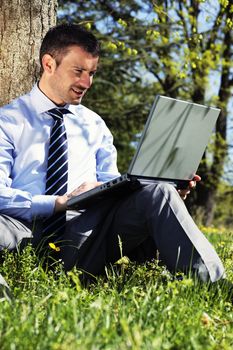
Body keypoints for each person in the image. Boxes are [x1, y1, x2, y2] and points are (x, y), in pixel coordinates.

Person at [0, 23, 225, 292]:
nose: (87, 83)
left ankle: (214, 287)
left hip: (87, 237)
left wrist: (163, 189)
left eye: (92, 73)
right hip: (23, 231)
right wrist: (58, 203)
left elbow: (113, 187)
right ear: (49, 64)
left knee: (160, 193)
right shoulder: (8, 122)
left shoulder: (94, 125)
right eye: (79, 71)